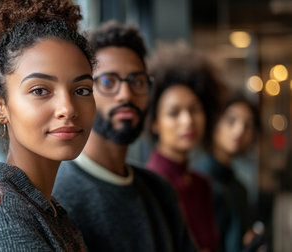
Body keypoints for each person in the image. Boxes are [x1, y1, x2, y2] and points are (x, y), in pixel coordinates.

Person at [0, 0, 96, 251]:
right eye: (40, 90)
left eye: (81, 90)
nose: (67, 108)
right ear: (0, 107)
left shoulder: (49, 211)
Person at [53, 21, 197, 252]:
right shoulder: (58, 197)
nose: (126, 94)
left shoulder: (160, 191)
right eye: (109, 82)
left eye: (136, 81)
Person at [144, 43, 222, 252]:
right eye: (174, 112)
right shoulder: (148, 186)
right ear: (154, 121)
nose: (187, 120)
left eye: (194, 109)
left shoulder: (202, 185)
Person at [194, 92, 261, 252]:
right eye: (231, 121)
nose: (239, 130)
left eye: (247, 125)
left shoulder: (240, 188)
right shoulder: (199, 181)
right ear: (215, 123)